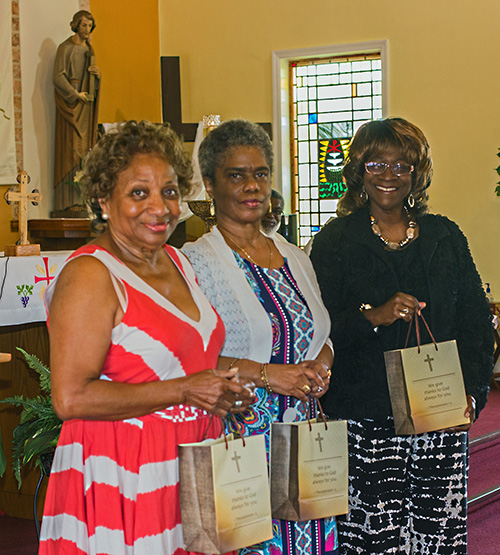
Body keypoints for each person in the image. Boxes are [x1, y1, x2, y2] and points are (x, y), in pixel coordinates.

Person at [38, 120, 254, 554]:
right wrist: (186, 390)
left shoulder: (177, 261)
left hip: (191, 458)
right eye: (139, 193)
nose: (160, 207)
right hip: (124, 469)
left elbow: (188, 364)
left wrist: (219, 391)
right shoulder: (90, 275)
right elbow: (70, 398)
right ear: (103, 200)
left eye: (169, 192)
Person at [310, 117, 494, 554]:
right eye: (376, 164)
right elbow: (320, 326)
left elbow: (474, 320)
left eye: (402, 165)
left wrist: (473, 392)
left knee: (436, 533)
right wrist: (374, 315)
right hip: (364, 412)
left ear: (417, 172)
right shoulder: (335, 240)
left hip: (437, 408)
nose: (389, 175)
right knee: (374, 535)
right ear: (357, 171)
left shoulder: (444, 235)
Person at [182, 119, 338, 555]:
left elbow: (320, 331)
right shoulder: (195, 263)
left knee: (306, 543)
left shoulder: (293, 254)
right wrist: (271, 376)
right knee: (248, 541)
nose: (252, 186)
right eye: (236, 175)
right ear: (210, 186)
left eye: (261, 174)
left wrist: (322, 364)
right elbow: (188, 358)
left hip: (302, 431)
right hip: (240, 430)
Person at [53, 10, 100, 215]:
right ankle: (68, 201)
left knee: (85, 150)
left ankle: (82, 199)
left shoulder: (90, 50)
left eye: (90, 26)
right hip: (71, 105)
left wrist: (98, 78)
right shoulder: (66, 48)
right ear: (75, 25)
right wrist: (74, 94)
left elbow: (93, 84)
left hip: (86, 107)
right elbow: (58, 76)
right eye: (83, 25)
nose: (87, 29)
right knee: (71, 148)